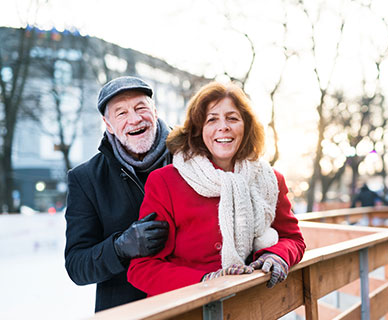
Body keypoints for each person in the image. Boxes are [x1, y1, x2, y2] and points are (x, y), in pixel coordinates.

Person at [127, 81, 306, 296]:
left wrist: (275, 255)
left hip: (251, 306)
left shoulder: (271, 180)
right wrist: (205, 282)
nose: (224, 127)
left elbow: (293, 239)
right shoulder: (165, 182)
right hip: (186, 310)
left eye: (232, 118)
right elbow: (142, 268)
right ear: (198, 130)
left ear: (246, 127)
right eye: (212, 119)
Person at [64, 76, 171, 312]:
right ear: (108, 124)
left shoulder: (190, 156)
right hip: (126, 311)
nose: (134, 119)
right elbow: (76, 265)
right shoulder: (86, 179)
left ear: (154, 110)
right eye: (121, 113)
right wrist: (120, 247)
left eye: (140, 107)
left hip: (193, 302)